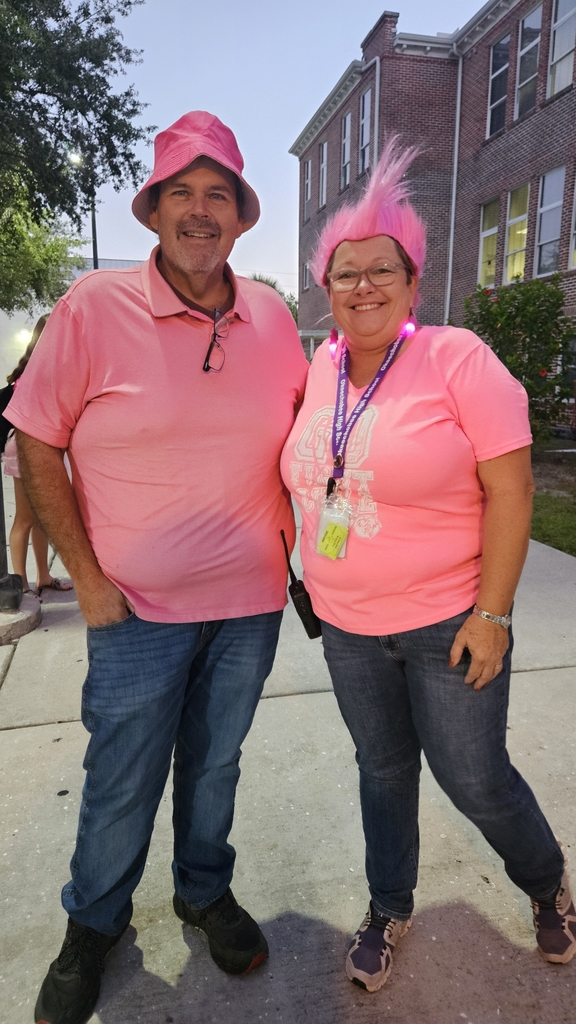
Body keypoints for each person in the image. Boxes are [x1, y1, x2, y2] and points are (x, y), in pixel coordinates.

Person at [8, 111, 308, 1024]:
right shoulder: (93, 307)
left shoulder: (273, 315)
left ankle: (201, 890)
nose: (200, 210)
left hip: (250, 605)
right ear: (153, 210)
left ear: (243, 214)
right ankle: (92, 925)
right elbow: (35, 438)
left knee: (216, 768)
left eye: (219, 194)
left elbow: (314, 439)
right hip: (133, 611)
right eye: (182, 192)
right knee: (122, 779)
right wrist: (87, 580)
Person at [281, 139, 575, 993]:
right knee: (381, 772)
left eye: (382, 270)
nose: (363, 286)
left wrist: (494, 613)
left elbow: (513, 491)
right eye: (345, 273)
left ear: (412, 284)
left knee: (476, 779)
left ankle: (546, 881)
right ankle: (388, 904)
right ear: (325, 289)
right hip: (346, 626)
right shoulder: (322, 367)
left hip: (450, 621)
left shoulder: (457, 359)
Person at [1, 315, 74, 597]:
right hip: (26, 449)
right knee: (25, 518)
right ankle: (20, 586)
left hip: (44, 447)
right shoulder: (35, 371)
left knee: (42, 518)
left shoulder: (51, 367)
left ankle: (42, 577)